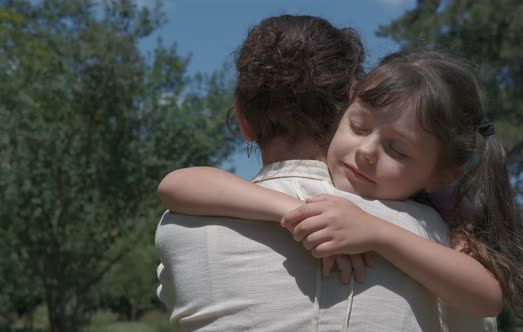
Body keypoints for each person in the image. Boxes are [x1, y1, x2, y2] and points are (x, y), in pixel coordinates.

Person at [156, 15, 497, 332]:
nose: (366, 152)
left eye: (398, 151)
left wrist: (376, 233)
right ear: (345, 109)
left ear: (243, 121)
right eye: (359, 127)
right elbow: (174, 184)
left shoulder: (183, 226)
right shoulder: (432, 231)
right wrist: (298, 214)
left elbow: (488, 296)